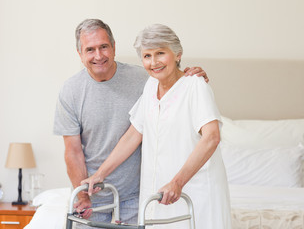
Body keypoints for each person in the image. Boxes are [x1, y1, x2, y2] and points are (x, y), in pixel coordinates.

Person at [53, 19, 208, 228]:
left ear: (114, 47)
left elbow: (172, 81)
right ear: (80, 54)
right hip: (92, 196)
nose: (98, 56)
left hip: (136, 195)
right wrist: (83, 197)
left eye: (104, 47)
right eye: (90, 50)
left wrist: (190, 77)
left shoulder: (145, 80)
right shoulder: (71, 91)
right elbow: (73, 152)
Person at [82, 24, 232, 228]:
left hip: (195, 193)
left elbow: (212, 137)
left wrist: (177, 182)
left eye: (161, 53)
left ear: (178, 54)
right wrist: (100, 174)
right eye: (147, 56)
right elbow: (134, 134)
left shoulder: (195, 85)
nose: (154, 62)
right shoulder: (151, 86)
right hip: (159, 192)